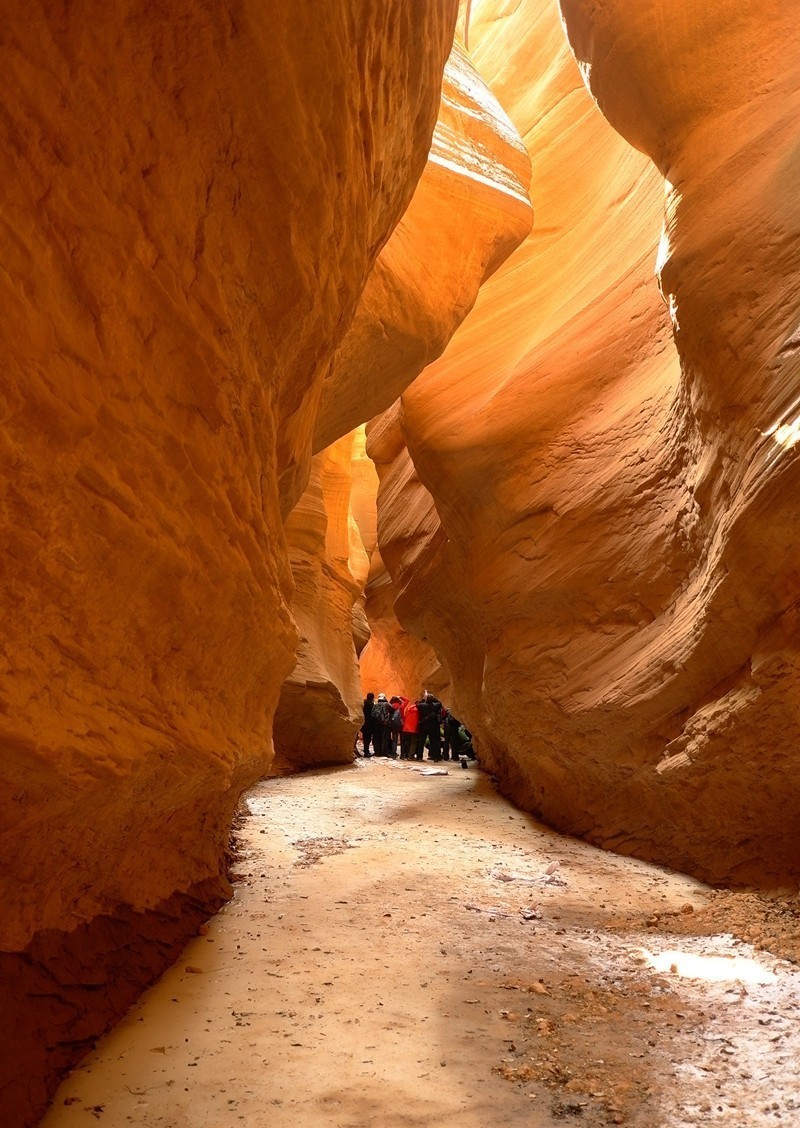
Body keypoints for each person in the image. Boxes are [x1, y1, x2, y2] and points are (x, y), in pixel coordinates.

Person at [416, 691, 443, 761]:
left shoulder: (422, 705)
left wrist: (423, 698)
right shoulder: (435, 705)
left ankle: (419, 757)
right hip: (433, 726)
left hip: (423, 726)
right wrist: (433, 698)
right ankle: (435, 757)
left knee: (421, 742)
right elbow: (439, 703)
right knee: (434, 742)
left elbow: (417, 704)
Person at [361, 692, 376, 757]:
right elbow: (373, 715)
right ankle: (366, 752)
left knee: (365, 738)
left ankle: (365, 750)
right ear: (372, 698)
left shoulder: (363, 703)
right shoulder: (372, 705)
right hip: (370, 724)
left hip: (364, 723)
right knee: (368, 738)